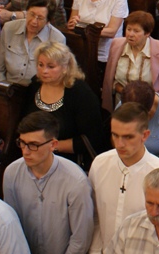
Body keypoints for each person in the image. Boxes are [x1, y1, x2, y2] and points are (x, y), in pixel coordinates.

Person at [4, 111, 96, 254]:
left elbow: (81, 238)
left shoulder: (75, 181)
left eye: (33, 145)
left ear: (53, 144)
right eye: (22, 143)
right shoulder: (11, 173)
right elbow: (12, 225)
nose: (25, 151)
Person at [86, 102, 159, 254]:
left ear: (145, 135)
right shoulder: (100, 164)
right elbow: (95, 216)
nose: (119, 144)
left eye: (128, 137)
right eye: (115, 135)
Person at [20, 41, 106, 170]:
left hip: (68, 162)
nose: (44, 71)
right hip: (33, 155)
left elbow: (92, 139)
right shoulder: (34, 85)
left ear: (65, 67)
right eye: (40, 65)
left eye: (51, 66)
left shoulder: (80, 93)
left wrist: (49, 147)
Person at [101, 10, 159, 113]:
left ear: (147, 33)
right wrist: (125, 92)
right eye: (128, 29)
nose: (130, 34)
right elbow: (110, 79)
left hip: (152, 107)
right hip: (122, 105)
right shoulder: (116, 45)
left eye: (136, 31)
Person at [0, 0, 66, 86]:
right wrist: (4, 87)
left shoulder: (57, 39)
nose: (34, 21)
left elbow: (54, 77)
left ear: (48, 21)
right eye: (31, 14)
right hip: (7, 87)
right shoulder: (9, 29)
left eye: (40, 18)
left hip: (37, 90)